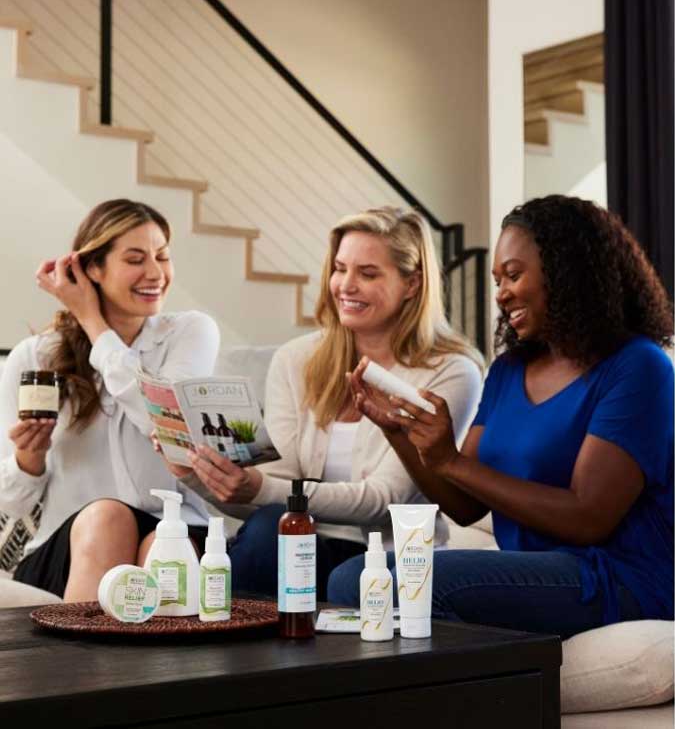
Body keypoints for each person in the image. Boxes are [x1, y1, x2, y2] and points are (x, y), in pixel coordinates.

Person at [329, 194, 674, 639]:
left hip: (614, 577)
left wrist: (452, 461)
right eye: (497, 280)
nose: (501, 293)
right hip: (532, 570)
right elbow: (465, 506)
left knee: (409, 583)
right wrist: (401, 434)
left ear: (565, 271)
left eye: (513, 275)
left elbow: (588, 517)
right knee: (351, 579)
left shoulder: (638, 367)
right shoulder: (510, 370)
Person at [171, 206, 483, 598]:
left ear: (412, 284)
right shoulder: (296, 359)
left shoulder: (449, 372)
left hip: (388, 561)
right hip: (302, 545)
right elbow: (268, 493)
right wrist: (195, 474)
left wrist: (260, 488)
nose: (345, 286)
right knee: (270, 526)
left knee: (276, 528)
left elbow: (385, 499)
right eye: (339, 268)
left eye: (368, 273)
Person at [0, 199, 220, 601]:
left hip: (176, 529)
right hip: (68, 545)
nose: (155, 273)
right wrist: (29, 460)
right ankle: (83, 644)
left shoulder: (191, 333)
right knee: (108, 518)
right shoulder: (34, 358)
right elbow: (8, 503)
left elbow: (167, 421)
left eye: (162, 256)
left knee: (163, 548)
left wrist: (92, 321)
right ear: (93, 270)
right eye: (135, 259)